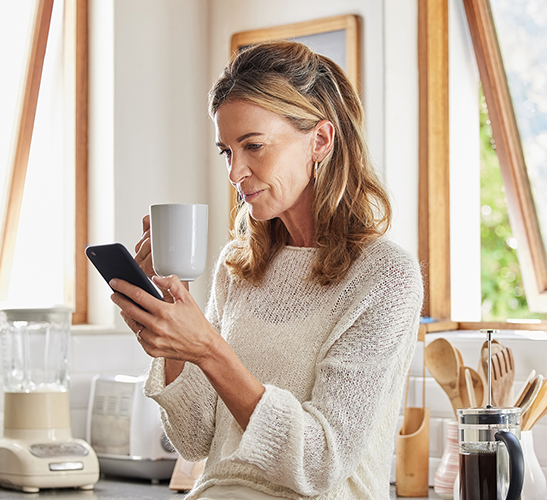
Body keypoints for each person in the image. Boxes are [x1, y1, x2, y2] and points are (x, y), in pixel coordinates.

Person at [109, 40, 423, 500]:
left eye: (253, 146)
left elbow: (319, 464)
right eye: (227, 152)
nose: (236, 172)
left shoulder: (385, 277)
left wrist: (210, 349)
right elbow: (195, 441)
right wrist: (172, 343)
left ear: (320, 140)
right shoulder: (238, 268)